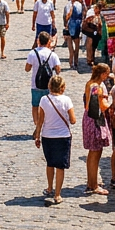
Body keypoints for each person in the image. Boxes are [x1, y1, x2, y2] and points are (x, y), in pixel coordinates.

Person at [34, 74, 76, 205]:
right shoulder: (67, 100)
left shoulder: (44, 100)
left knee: (50, 163)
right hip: (63, 136)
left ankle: (49, 187)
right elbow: (73, 120)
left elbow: (40, 121)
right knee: (60, 166)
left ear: (49, 86)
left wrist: (37, 136)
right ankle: (57, 194)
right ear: (62, 87)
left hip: (47, 136)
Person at [81, 63, 112, 195]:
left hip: (89, 118)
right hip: (94, 120)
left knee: (93, 153)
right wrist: (112, 102)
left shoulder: (90, 83)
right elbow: (98, 106)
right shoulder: (96, 87)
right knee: (95, 152)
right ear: (103, 74)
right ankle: (93, 185)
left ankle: (91, 182)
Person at [26, 31, 61, 126]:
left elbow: (27, 69)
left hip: (35, 84)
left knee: (35, 106)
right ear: (49, 42)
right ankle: (46, 125)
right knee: (48, 106)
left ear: (38, 41)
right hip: (49, 85)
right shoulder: (52, 55)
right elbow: (58, 70)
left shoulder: (32, 53)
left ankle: (37, 126)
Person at [63, 0, 85, 70]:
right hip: (78, 26)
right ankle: (76, 62)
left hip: (71, 25)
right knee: (77, 45)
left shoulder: (73, 5)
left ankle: (71, 61)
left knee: (70, 46)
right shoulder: (81, 5)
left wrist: (66, 23)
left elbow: (68, 15)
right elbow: (84, 15)